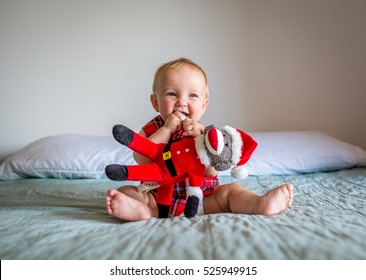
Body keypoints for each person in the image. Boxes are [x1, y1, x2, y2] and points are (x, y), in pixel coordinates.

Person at [105, 58, 293, 221]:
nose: (182, 102)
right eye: (172, 94)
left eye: (192, 95)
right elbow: (141, 158)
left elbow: (211, 172)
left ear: (203, 106)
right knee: (127, 191)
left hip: (204, 199)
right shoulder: (153, 129)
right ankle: (140, 210)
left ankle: (259, 204)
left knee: (230, 192)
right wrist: (167, 129)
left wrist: (202, 138)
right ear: (156, 102)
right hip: (156, 199)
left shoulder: (207, 135)